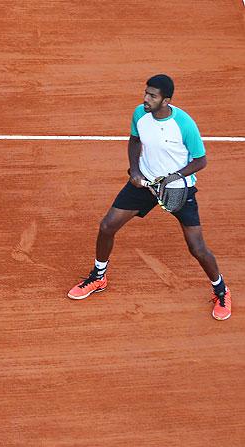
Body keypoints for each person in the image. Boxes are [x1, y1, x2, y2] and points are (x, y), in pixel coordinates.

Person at [67, 74, 231, 320]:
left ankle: (221, 290)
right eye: (146, 93)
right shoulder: (140, 114)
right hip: (145, 184)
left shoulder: (184, 124)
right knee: (107, 226)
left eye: (152, 96)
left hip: (178, 189)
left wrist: (173, 177)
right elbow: (134, 140)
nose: (146, 99)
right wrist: (135, 169)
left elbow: (201, 160)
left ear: (166, 100)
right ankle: (98, 277)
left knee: (196, 248)